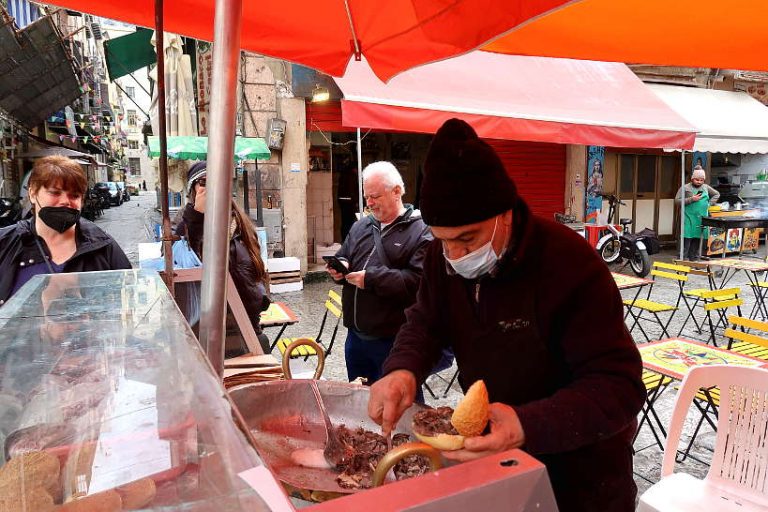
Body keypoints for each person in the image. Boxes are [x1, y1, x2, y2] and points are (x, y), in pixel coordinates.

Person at [367, 119, 645, 511]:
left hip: (582, 479)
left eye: (469, 238)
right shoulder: (439, 257)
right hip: (496, 468)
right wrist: (403, 369)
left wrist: (527, 424)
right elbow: (426, 323)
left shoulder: (569, 263)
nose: (456, 256)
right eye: (444, 240)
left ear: (506, 214)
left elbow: (620, 387)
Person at [326, 161, 432, 387]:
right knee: (359, 405)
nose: (369, 203)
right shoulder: (361, 226)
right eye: (366, 197)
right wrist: (339, 267)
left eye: (375, 196)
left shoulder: (422, 232)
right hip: (355, 339)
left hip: (393, 342)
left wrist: (370, 279)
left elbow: (416, 282)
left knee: (397, 408)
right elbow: (345, 254)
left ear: (397, 192)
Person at [0, 156, 131, 307]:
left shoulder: (103, 247)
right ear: (32, 193)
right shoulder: (5, 244)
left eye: (74, 195)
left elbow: (126, 304)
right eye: (55, 192)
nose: (65, 201)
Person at [178, 161, 271, 355]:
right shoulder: (185, 226)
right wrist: (197, 217)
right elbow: (194, 264)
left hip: (248, 330)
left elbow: (255, 270)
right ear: (192, 191)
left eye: (217, 182)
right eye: (203, 182)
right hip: (211, 338)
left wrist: (261, 297)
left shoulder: (240, 225)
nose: (212, 188)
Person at [676, 165, 719, 261]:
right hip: (688, 218)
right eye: (697, 179)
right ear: (692, 179)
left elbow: (716, 194)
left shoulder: (706, 188)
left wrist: (710, 204)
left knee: (697, 239)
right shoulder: (685, 188)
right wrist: (692, 199)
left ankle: (693, 259)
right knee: (686, 239)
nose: (699, 182)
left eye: (701, 180)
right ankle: (682, 259)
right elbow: (677, 201)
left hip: (700, 218)